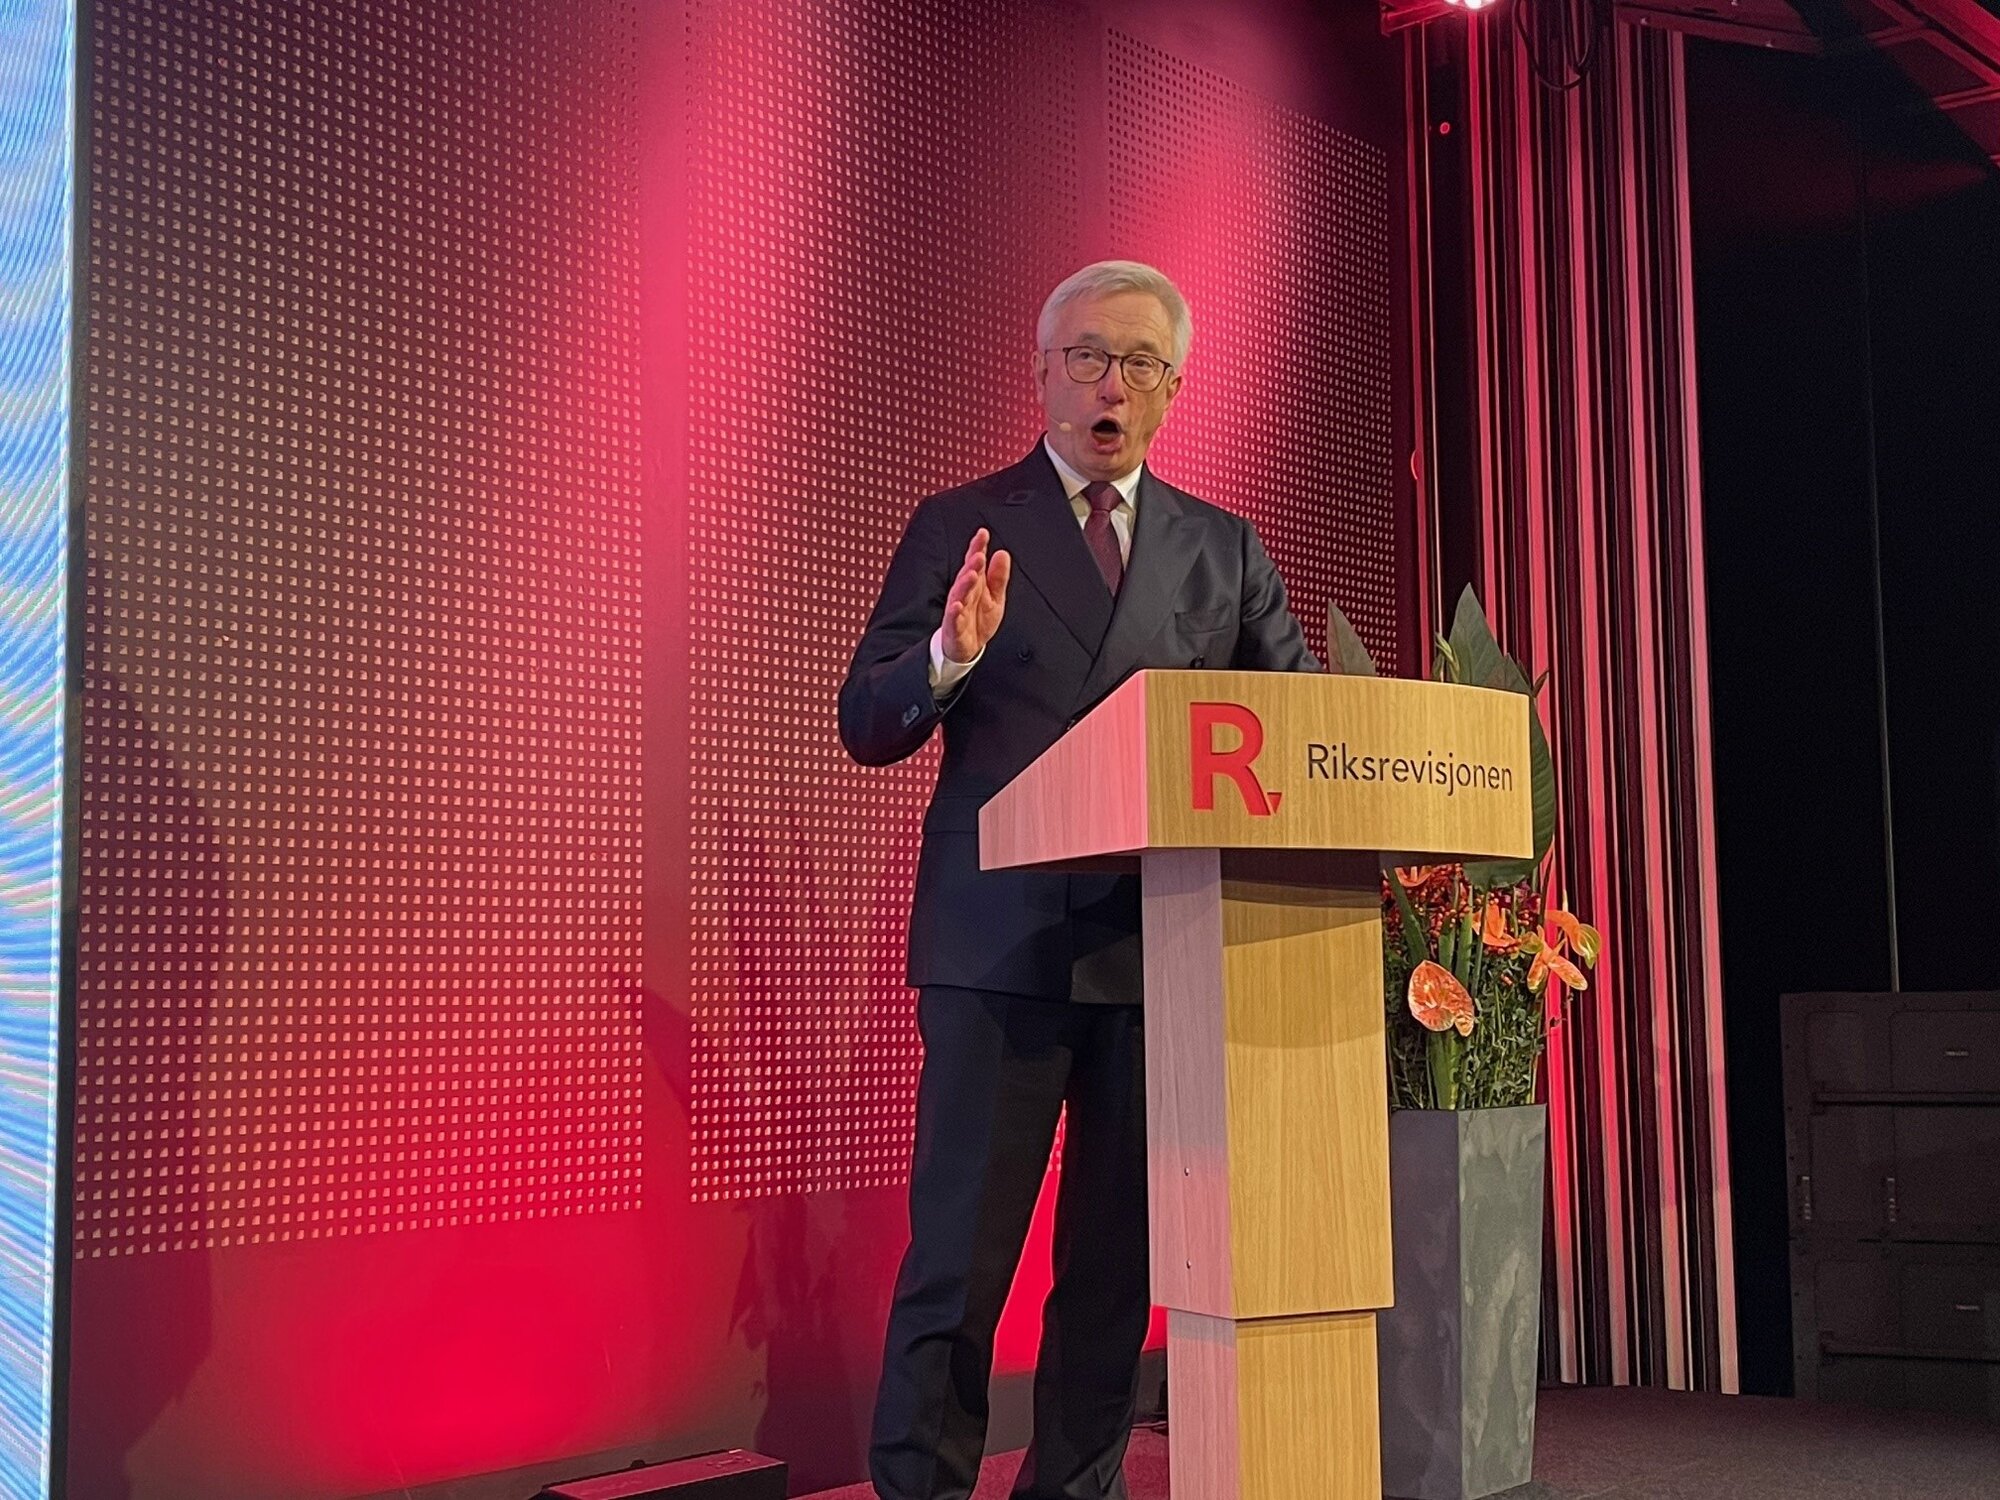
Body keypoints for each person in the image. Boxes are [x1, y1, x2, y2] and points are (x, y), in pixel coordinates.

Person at [839, 260, 1320, 1500]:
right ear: (1042, 373)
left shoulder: (1221, 548)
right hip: (997, 947)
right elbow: (867, 719)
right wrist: (945, 656)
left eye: (1141, 363)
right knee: (957, 1268)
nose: (1113, 384)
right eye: (1090, 357)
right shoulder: (962, 524)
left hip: (1156, 949)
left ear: (1173, 390)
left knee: (1112, 1276)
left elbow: (1305, 729)